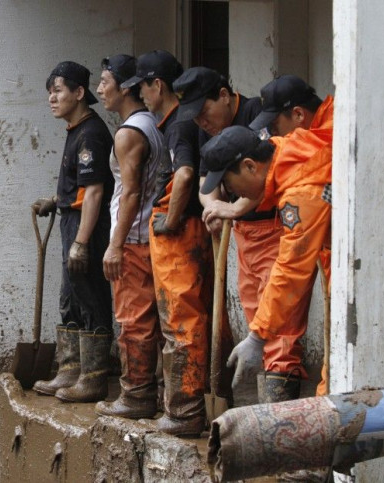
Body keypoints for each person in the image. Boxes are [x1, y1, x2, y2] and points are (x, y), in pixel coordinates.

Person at [204, 75, 334, 400]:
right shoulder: (285, 151)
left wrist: (258, 337)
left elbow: (291, 270)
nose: (235, 197)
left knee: (337, 383)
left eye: (232, 188)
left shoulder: (300, 191)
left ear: (250, 166)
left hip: (362, 272)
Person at [114, 50, 214, 436]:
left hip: (181, 233)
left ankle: (185, 412)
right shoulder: (174, 124)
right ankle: (184, 407)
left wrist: (169, 222)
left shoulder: (178, 126)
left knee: (180, 323)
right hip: (188, 232)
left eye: (142, 87)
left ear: (158, 85)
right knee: (185, 319)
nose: (141, 95)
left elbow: (186, 175)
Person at [32, 61, 114, 403]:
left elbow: (95, 190)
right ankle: (70, 369)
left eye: (59, 91)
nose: (52, 98)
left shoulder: (92, 134)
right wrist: (57, 200)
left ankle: (94, 378)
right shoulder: (75, 129)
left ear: (80, 93)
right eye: (50, 92)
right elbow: (81, 187)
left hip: (86, 227)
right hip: (72, 218)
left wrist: (81, 242)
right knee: (70, 296)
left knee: (89, 293)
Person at [90, 54, 165, 414]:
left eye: (105, 82)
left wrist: (115, 245)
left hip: (133, 237)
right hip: (148, 234)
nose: (100, 89)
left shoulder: (129, 132)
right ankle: (149, 393)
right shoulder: (152, 123)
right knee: (152, 318)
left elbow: (131, 192)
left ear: (125, 87)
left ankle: (136, 396)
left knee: (132, 319)